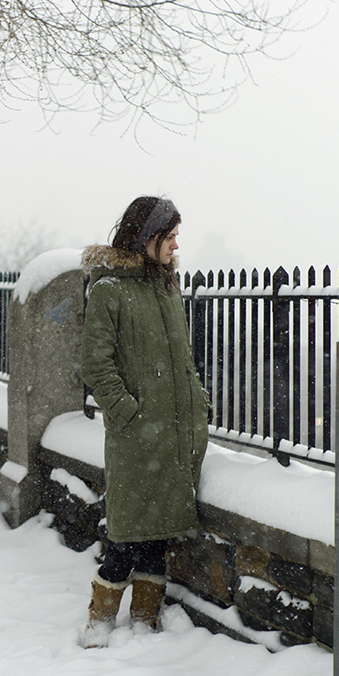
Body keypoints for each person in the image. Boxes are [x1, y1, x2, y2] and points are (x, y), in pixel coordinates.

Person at [79, 195, 210, 646]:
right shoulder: (109, 288)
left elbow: (182, 359)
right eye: (169, 238)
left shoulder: (166, 285)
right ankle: (99, 620)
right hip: (138, 436)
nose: (177, 246)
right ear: (147, 237)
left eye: (177, 237)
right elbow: (96, 364)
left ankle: (144, 618)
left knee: (158, 533)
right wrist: (127, 414)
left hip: (175, 431)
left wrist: (199, 402)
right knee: (126, 536)